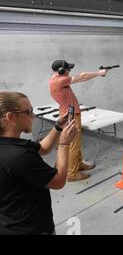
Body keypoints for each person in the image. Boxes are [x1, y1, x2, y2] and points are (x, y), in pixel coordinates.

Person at [0, 91, 78, 235]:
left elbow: (42, 149)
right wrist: (64, 143)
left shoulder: (11, 146)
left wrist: (58, 126)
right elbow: (58, 181)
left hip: (9, 222)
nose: (33, 116)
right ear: (10, 117)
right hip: (31, 228)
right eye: (28, 112)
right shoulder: (19, 156)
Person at [48, 60, 108, 181]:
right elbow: (82, 76)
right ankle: (71, 174)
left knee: (76, 142)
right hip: (71, 115)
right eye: (68, 69)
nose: (69, 71)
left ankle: (78, 164)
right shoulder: (60, 80)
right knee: (73, 144)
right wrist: (99, 73)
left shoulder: (55, 80)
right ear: (61, 70)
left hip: (70, 113)